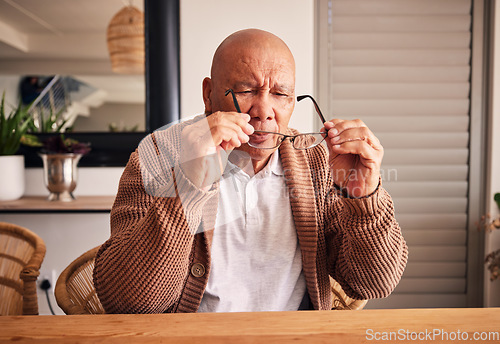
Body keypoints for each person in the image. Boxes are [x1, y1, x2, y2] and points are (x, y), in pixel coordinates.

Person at [93, 29, 408, 314]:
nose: (265, 112)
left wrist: (364, 198)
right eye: (245, 91)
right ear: (208, 95)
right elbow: (128, 301)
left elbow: (374, 283)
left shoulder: (318, 161)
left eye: (281, 94)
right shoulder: (160, 155)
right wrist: (188, 184)